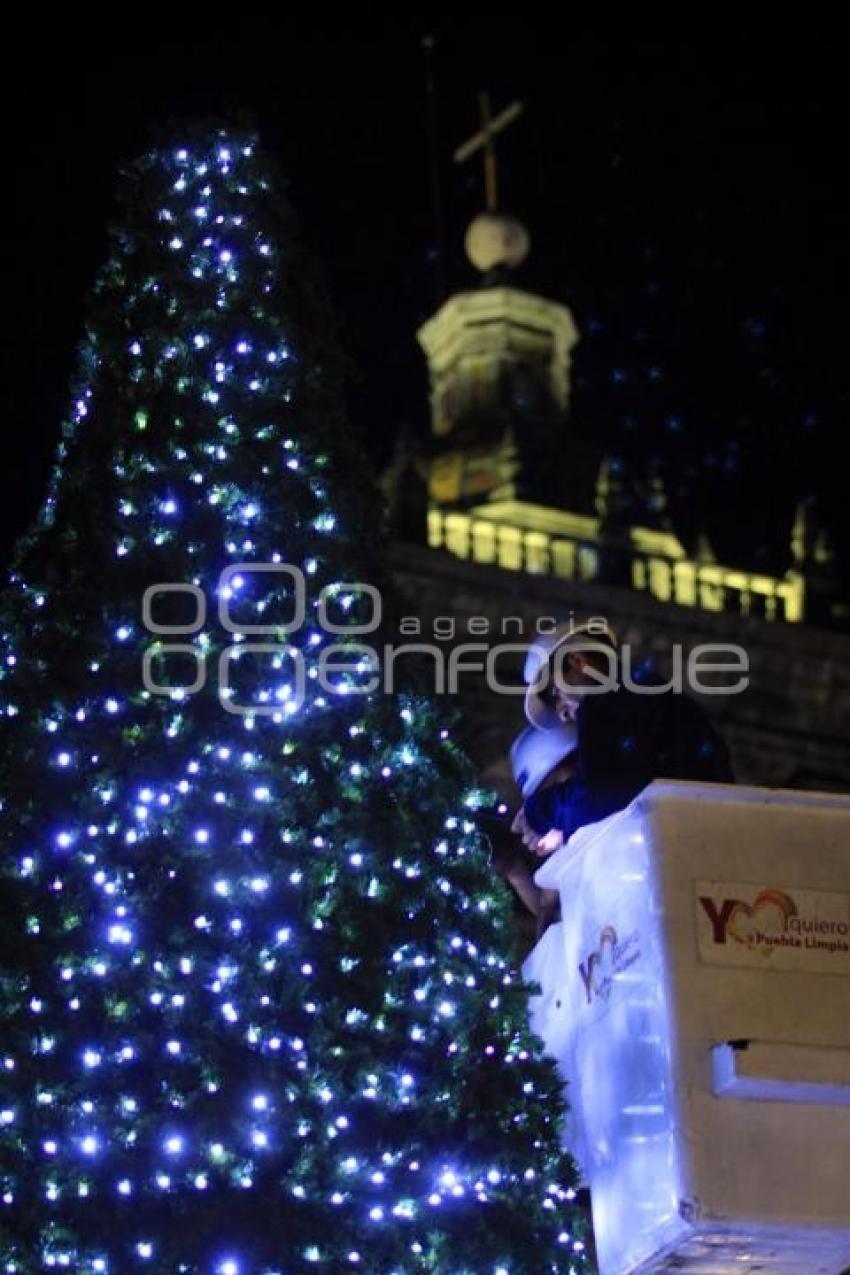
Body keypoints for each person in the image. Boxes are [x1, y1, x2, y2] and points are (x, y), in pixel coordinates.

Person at [522, 621, 734, 853]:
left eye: (555, 694)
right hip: (708, 839)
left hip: (688, 848)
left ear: (577, 662)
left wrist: (539, 811)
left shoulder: (607, 701)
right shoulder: (644, 692)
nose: (562, 714)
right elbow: (626, 787)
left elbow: (602, 793)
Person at [485, 721, 579, 940]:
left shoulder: (612, 814)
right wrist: (514, 871)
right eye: (542, 795)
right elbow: (552, 916)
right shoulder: (567, 841)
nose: (550, 803)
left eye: (555, 785)